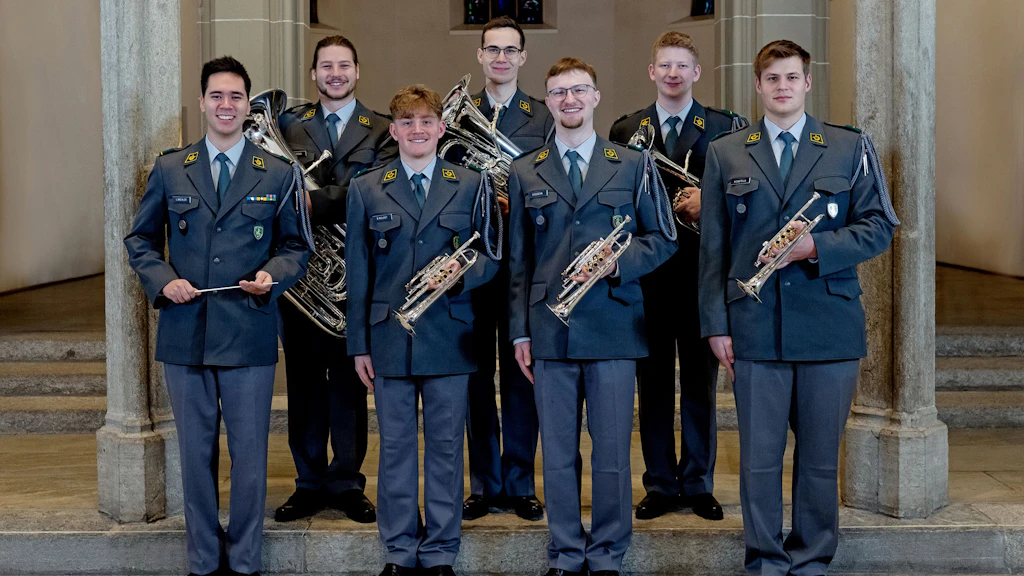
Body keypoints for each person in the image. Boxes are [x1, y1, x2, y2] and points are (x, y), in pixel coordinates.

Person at [698, 40, 898, 576]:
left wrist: (815, 248)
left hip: (828, 326)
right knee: (759, 460)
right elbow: (713, 249)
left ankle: (811, 560)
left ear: (808, 83)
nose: (782, 86)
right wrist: (715, 324)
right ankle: (765, 560)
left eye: (791, 77)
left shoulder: (848, 146)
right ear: (758, 85)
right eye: (772, 78)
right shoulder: (726, 152)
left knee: (818, 460)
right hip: (753, 325)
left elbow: (880, 227)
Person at [124, 56, 311, 576]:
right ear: (202, 102)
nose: (226, 105)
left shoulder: (278, 172)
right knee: (196, 457)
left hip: (248, 331)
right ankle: (204, 561)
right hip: (186, 334)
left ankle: (245, 560)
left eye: (236, 97)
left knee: (249, 459)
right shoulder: (170, 168)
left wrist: (273, 274)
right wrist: (164, 281)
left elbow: (297, 246)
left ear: (247, 106)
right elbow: (140, 240)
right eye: (216, 96)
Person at [507, 58, 676, 576]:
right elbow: (518, 262)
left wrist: (617, 263)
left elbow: (663, 237)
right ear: (548, 101)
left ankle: (606, 554)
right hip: (549, 329)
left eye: (579, 90)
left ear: (596, 97)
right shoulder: (524, 170)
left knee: (611, 454)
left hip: (614, 325)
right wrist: (518, 332)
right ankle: (565, 551)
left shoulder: (633, 164)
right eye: (559, 92)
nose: (570, 100)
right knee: (557, 454)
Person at [346, 85, 500, 576]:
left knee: (447, 449)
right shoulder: (367, 188)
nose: (417, 129)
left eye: (427, 121)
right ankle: (398, 550)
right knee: (394, 450)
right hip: (388, 337)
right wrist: (358, 345)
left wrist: (461, 273)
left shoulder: (471, 183)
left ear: (441, 128)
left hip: (450, 334)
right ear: (393, 131)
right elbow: (358, 272)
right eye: (407, 122)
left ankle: (439, 551)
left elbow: (492, 255)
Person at [608, 30, 746, 522]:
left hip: (701, 276)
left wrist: (711, 201)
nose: (672, 73)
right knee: (653, 387)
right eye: (664, 65)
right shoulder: (626, 129)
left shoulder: (726, 127)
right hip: (647, 279)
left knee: (700, 386)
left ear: (696, 72)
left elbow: (748, 195)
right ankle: (660, 484)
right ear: (652, 71)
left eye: (681, 65)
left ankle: (698, 483)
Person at [273, 34, 396, 525]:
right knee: (303, 384)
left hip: (356, 275)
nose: (336, 73)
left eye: (344, 65)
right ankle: (307, 482)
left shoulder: (382, 128)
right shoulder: (287, 125)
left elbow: (375, 188)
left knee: (349, 383)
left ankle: (346, 482)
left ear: (357, 71)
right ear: (314, 74)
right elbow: (271, 183)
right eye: (326, 66)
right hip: (301, 278)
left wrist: (311, 201)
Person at [462, 15, 553, 523]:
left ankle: (519, 483)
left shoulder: (543, 115)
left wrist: (516, 204)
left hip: (526, 264)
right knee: (475, 378)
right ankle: (484, 483)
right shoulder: (458, 116)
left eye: (509, 50)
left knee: (521, 376)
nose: (500, 58)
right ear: (480, 55)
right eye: (492, 49)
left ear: (523, 57)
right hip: (472, 265)